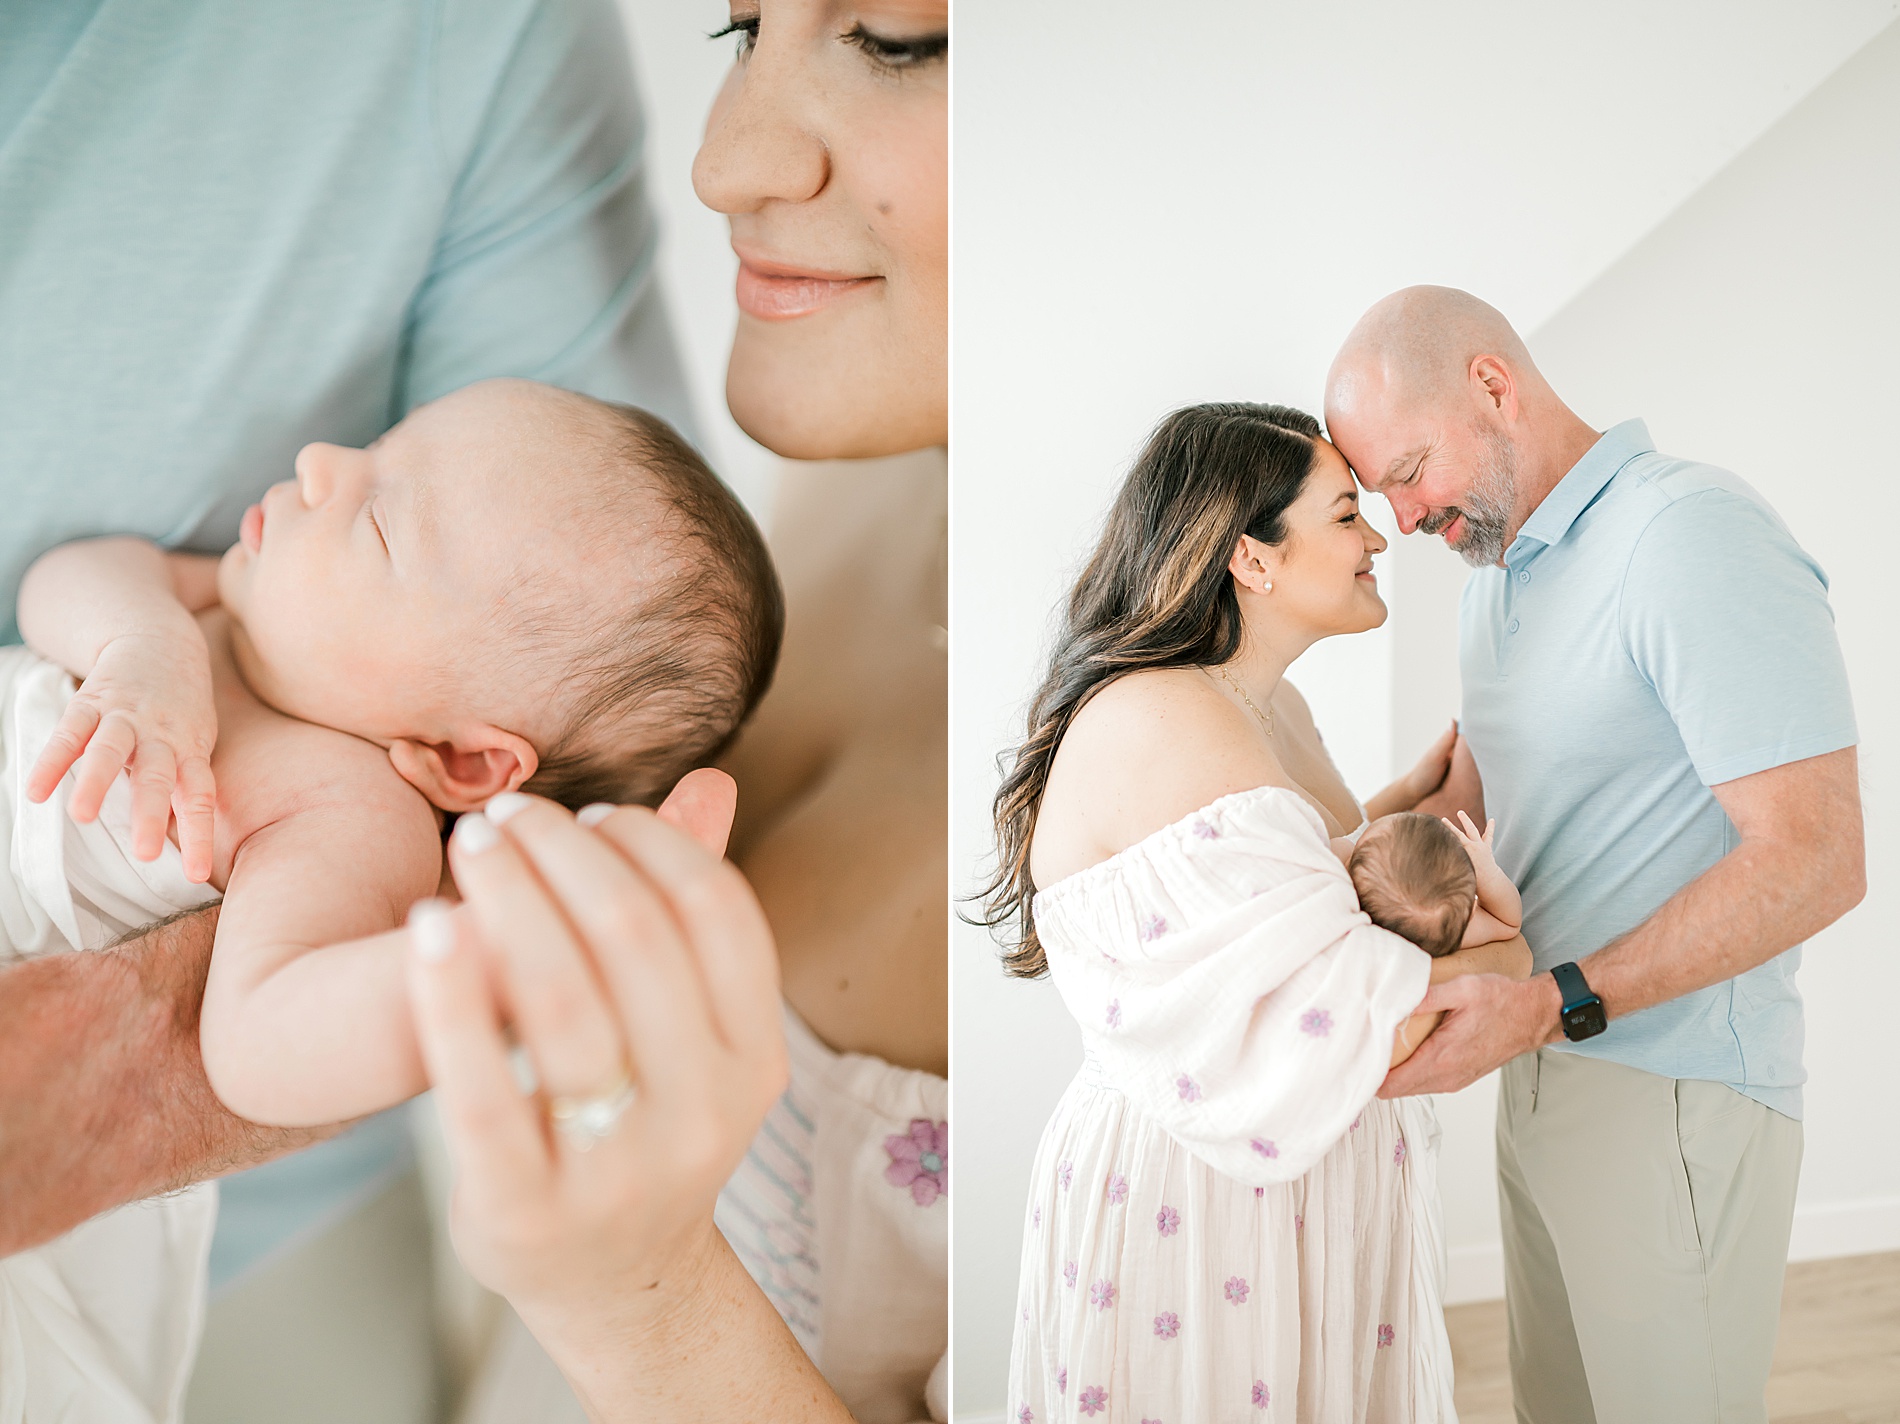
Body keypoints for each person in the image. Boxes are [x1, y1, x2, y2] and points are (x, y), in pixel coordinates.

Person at [0, 1, 694, 1418]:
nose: (321, 460)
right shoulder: (228, 609)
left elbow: (256, 1044)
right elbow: (76, 578)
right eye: (376, 454)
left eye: (376, 521)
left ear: (458, 754)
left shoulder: (345, 820)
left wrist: (467, 976)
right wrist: (141, 654)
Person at [399, 1, 951, 1420]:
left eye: (896, 36)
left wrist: (630, 1300)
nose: (722, 164)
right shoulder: (865, 469)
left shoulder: (1190, 778)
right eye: (741, 24)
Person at [1325, 285, 1865, 1423]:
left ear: (1491, 384)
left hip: (1672, 1090)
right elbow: (1460, 817)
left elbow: (1817, 858)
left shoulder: (1689, 533)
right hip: (1540, 1065)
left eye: (1412, 468)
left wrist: (1553, 1001)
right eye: (1380, 493)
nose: (1407, 517)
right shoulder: (1495, 582)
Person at [978, 403, 1530, 1422]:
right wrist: (1508, 957)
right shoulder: (1166, 715)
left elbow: (1275, 893)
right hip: (1204, 1201)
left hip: (1277, 1191)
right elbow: (1332, 1002)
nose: (1379, 539)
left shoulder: (1260, 705)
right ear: (1251, 556)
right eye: (1344, 514)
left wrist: (1400, 806)